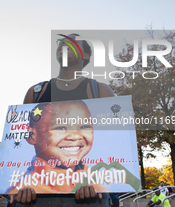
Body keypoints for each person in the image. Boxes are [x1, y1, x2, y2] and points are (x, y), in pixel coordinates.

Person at [8, 33, 115, 206]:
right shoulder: (36, 92)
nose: (74, 135)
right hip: (34, 198)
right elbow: (17, 135)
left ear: (85, 55)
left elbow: (116, 139)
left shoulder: (100, 91)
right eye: (62, 42)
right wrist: (14, 190)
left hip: (90, 198)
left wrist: (100, 185)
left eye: (73, 42)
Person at [7, 101, 107, 194]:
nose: (75, 136)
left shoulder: (98, 185)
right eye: (61, 128)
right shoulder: (23, 190)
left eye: (84, 127)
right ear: (32, 135)